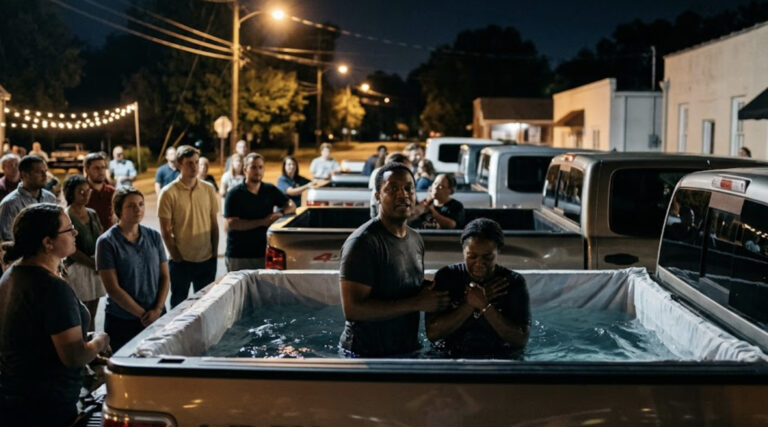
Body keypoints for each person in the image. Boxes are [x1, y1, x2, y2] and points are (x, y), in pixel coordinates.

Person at [0, 203, 110, 426]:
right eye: (68, 230)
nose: (75, 233)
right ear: (48, 243)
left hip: (15, 399)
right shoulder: (50, 287)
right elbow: (74, 357)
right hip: (45, 407)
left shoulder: (12, 273)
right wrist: (100, 340)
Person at [339, 162, 450, 357]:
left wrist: (439, 292)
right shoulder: (362, 243)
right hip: (365, 356)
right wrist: (417, 303)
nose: (403, 194)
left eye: (408, 188)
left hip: (406, 349)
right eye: (392, 189)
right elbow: (353, 310)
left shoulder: (416, 239)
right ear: (377, 196)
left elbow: (403, 284)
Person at [426, 218, 530, 357]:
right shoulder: (448, 277)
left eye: (487, 257)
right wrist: (469, 305)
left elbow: (520, 340)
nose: (479, 263)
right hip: (450, 356)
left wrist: (485, 305)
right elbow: (433, 334)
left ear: (498, 251)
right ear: (463, 251)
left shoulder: (512, 282)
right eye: (472, 256)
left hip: (499, 357)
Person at [96, 187, 169, 351]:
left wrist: (157, 309)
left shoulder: (154, 236)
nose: (138, 209)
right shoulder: (107, 242)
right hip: (123, 319)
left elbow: (164, 276)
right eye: (131, 206)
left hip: (156, 315)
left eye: (141, 204)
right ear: (118, 209)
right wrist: (143, 315)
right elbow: (113, 289)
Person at [158, 145, 218, 308]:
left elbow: (214, 224)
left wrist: (213, 254)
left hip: (206, 259)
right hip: (181, 261)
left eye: (197, 162)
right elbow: (165, 230)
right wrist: (176, 256)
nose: (195, 167)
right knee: (179, 306)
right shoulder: (168, 193)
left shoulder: (208, 189)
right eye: (189, 163)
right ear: (179, 165)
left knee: (205, 305)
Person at [224, 153, 296, 271]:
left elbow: (291, 205)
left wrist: (281, 213)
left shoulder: (269, 189)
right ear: (245, 169)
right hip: (239, 254)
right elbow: (232, 223)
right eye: (253, 167)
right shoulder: (234, 194)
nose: (257, 171)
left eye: (260, 167)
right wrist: (263, 222)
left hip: (264, 252)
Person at [63, 175, 105, 332]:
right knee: (82, 312)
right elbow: (70, 249)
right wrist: (92, 263)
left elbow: (100, 236)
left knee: (93, 311)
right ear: (70, 193)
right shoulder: (66, 215)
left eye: (88, 191)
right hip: (78, 268)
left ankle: (91, 341)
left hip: (95, 267)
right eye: (81, 191)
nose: (86, 194)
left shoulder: (92, 213)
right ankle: (82, 343)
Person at [0, 155, 57, 242]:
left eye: (45, 171)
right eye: (39, 172)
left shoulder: (50, 198)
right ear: (24, 175)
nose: (45, 176)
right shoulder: (10, 204)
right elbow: (8, 240)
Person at [83, 152, 116, 231]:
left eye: (103, 167)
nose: (101, 171)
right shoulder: (81, 193)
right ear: (87, 170)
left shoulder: (112, 192)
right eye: (96, 168)